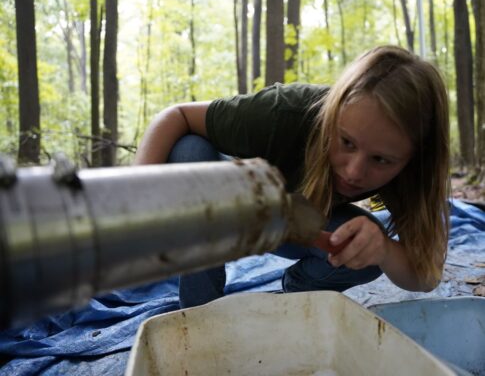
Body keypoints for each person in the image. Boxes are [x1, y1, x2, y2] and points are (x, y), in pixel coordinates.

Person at [134, 45, 450, 309]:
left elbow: (426, 274)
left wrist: (382, 248)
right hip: (227, 207)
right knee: (188, 149)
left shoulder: (416, 171)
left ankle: (292, 302)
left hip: (299, 222)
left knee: (364, 247)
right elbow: (176, 115)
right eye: (346, 142)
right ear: (332, 115)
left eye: (381, 160)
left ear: (413, 157)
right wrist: (138, 197)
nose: (353, 172)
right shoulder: (282, 112)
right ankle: (199, 316)